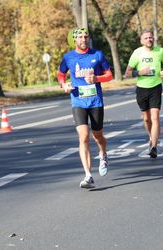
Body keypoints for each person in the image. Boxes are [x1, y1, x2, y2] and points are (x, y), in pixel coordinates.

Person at [57, 28, 113, 188]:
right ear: (75, 40)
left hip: (95, 101)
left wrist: (97, 78)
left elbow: (109, 75)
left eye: (86, 36)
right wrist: (63, 85)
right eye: (80, 37)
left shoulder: (97, 55)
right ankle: (88, 175)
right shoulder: (68, 57)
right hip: (78, 102)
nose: (84, 39)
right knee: (83, 137)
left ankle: (103, 154)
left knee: (98, 136)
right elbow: (60, 74)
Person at [124, 30, 163, 159]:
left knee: (155, 118)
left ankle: (154, 146)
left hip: (156, 87)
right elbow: (127, 73)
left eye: (151, 37)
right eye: (146, 38)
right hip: (142, 88)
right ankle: (151, 136)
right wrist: (139, 72)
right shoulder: (137, 53)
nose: (149, 39)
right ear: (141, 41)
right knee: (146, 118)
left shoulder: (159, 51)